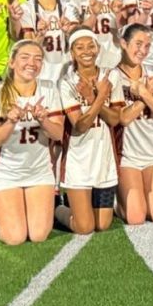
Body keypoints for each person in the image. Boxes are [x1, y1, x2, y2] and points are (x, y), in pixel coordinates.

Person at [0, 40, 64, 245]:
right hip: (7, 171)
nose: (32, 63)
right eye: (25, 57)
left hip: (39, 170)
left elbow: (58, 134)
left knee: (38, 235)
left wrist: (44, 120)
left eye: (37, 59)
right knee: (15, 238)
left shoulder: (49, 89)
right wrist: (10, 121)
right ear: (12, 62)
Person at [55, 30, 120, 234]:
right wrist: (98, 97)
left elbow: (115, 119)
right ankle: (56, 209)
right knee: (85, 227)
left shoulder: (111, 76)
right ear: (72, 53)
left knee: (102, 225)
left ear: (98, 48)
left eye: (91, 46)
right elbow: (80, 126)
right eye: (79, 47)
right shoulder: (66, 82)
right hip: (78, 160)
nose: (86, 51)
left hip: (104, 160)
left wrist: (93, 98)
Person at [109, 24, 153, 224]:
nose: (143, 50)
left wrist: (144, 92)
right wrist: (142, 99)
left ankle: (147, 195)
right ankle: (116, 202)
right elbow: (124, 118)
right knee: (136, 218)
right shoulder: (114, 76)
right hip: (128, 154)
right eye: (138, 44)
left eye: (147, 46)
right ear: (123, 43)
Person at [15, 0, 70, 83]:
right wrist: (40, 36)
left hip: (67, 72)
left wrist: (68, 32)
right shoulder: (26, 9)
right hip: (40, 74)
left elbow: (77, 42)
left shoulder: (69, 6)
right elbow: (28, 47)